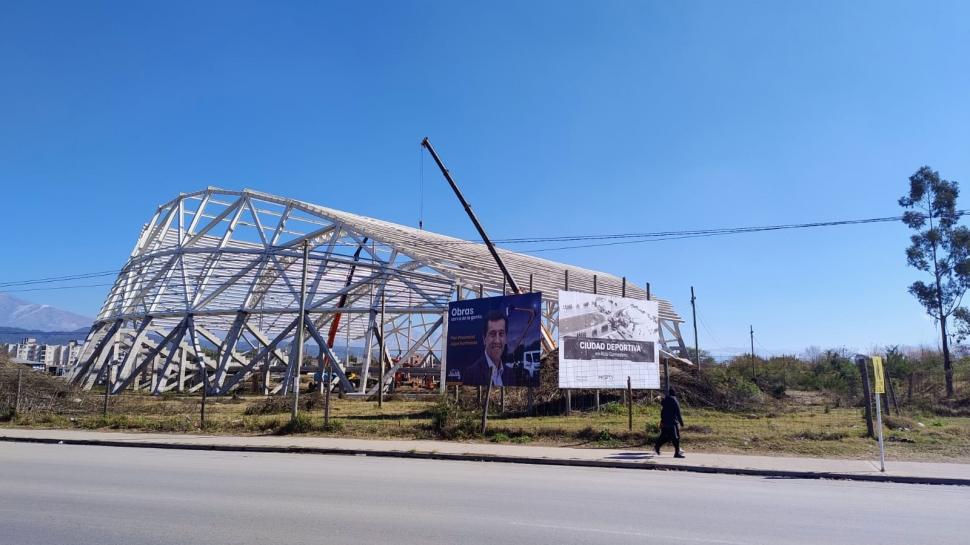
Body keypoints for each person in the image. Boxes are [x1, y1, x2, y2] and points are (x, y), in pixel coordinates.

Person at [462, 310, 515, 386]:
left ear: (506, 338)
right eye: (492, 334)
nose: (497, 340)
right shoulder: (471, 374)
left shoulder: (510, 374)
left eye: (501, 334)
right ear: (484, 339)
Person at [654, 387, 685, 458]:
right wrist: (681, 423)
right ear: (674, 393)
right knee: (676, 438)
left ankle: (657, 446)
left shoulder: (665, 399)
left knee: (667, 437)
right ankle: (676, 453)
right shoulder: (674, 400)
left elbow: (661, 405)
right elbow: (678, 413)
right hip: (672, 422)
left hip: (664, 421)